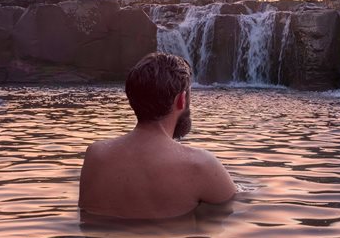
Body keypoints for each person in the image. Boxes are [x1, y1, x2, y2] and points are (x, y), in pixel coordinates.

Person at [79, 52, 237, 219]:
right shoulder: (200, 165)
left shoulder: (95, 156)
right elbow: (234, 216)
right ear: (181, 100)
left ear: (131, 98)